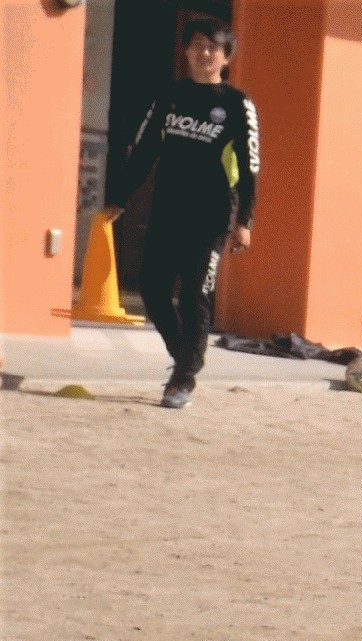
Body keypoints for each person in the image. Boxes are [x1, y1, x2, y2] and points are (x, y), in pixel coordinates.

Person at [104, 19, 260, 410]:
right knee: (152, 290)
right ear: (187, 51)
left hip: (210, 217)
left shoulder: (237, 104)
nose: (204, 53)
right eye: (197, 46)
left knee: (195, 294)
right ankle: (185, 358)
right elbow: (142, 152)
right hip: (167, 211)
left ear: (226, 58)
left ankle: (183, 377)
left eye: (213, 47)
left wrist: (245, 221)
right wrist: (119, 198)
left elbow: (250, 164)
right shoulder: (168, 96)